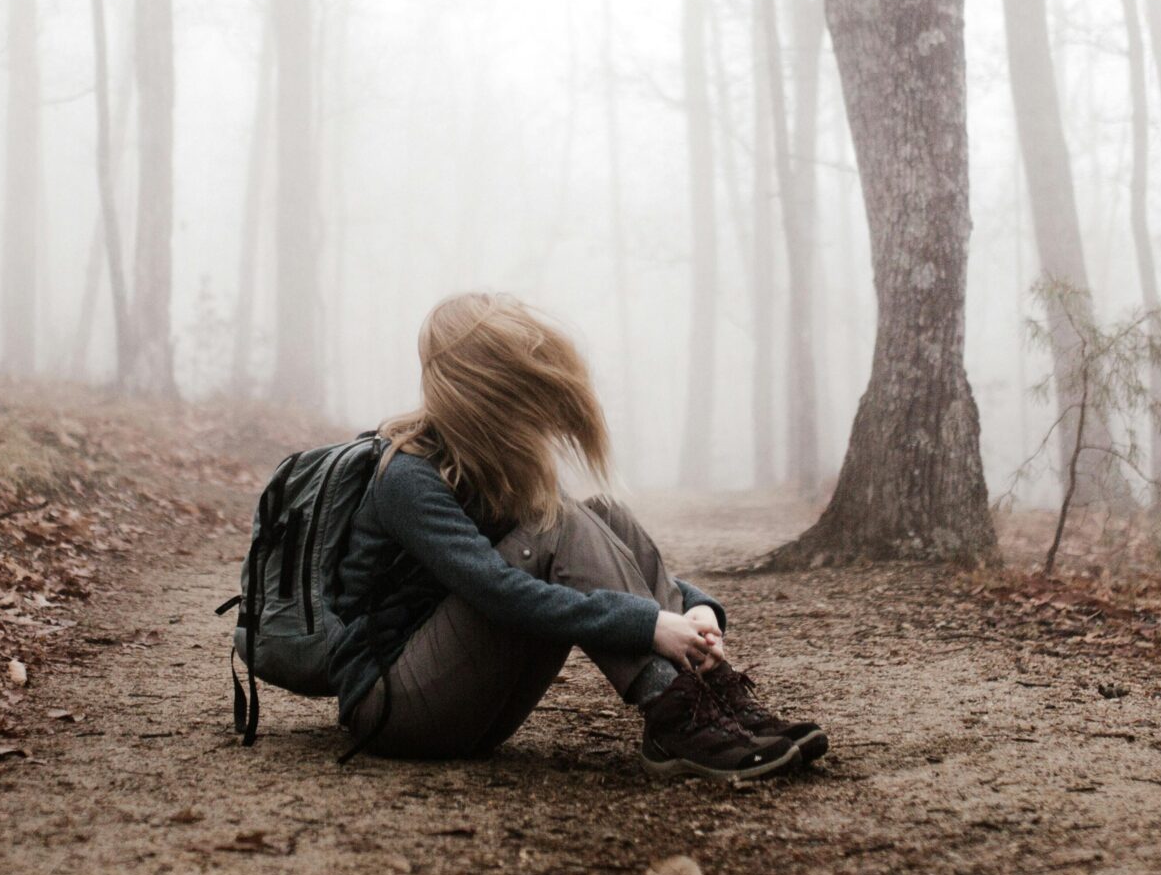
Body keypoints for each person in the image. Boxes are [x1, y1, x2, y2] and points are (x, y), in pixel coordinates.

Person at [328, 292, 824, 778]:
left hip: (467, 706)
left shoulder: (497, 464)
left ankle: (715, 702)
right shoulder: (407, 476)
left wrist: (697, 610)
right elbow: (498, 592)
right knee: (558, 521)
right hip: (394, 708)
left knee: (604, 513)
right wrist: (649, 624)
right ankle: (675, 718)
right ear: (477, 386)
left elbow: (598, 561)